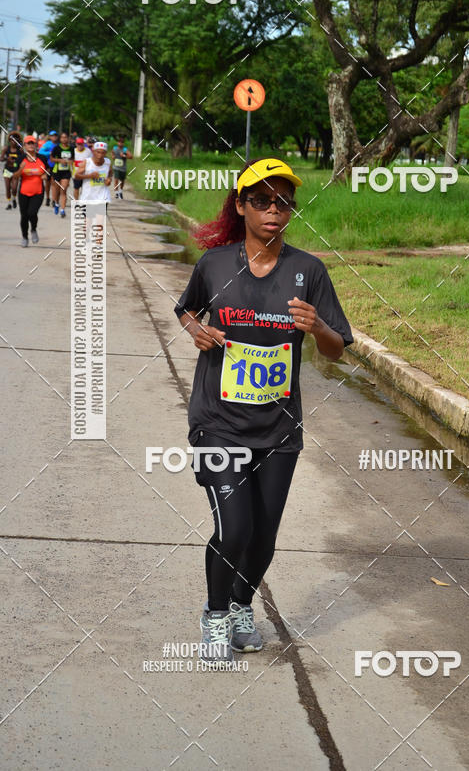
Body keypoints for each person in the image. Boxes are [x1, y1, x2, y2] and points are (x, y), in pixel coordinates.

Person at [174, 158, 353, 661]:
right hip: (217, 423)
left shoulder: (308, 271)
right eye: (261, 200)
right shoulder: (214, 264)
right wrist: (197, 331)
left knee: (264, 539)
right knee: (234, 529)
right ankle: (214, 615)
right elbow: (187, 307)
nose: (274, 209)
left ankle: (240, 605)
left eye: (283, 201)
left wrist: (316, 327)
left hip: (278, 430)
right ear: (241, 205)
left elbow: (337, 349)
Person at [14, 135, 48, 246]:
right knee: (24, 216)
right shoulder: (20, 159)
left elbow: (48, 171)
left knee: (32, 213)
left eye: (32, 143)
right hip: (23, 191)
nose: (31, 145)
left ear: (36, 145)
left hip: (38, 191)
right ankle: (24, 237)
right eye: (28, 143)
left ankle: (33, 229)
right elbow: (14, 176)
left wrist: (45, 176)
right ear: (24, 145)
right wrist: (21, 168)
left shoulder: (42, 158)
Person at [50, 132, 74, 217]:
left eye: (66, 137)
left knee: (63, 190)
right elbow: (51, 158)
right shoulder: (56, 148)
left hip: (66, 172)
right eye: (62, 137)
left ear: (68, 139)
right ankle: (56, 203)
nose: (64, 139)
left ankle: (63, 210)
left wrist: (70, 162)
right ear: (60, 139)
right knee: (57, 191)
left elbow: (73, 159)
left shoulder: (71, 148)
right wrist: (60, 161)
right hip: (57, 171)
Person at [1, 132, 23, 210]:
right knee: (7, 188)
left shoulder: (20, 150)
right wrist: (7, 159)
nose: (13, 142)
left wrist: (17, 161)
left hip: (16, 171)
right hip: (7, 170)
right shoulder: (6, 149)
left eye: (15, 140)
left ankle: (14, 198)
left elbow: (24, 159)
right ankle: (9, 203)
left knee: (14, 188)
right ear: (10, 140)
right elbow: (1, 159)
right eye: (12, 140)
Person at [38, 130, 58, 206]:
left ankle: (53, 200)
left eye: (55, 135)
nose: (54, 137)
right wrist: (49, 153)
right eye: (53, 135)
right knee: (48, 183)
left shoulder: (58, 144)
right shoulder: (47, 144)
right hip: (48, 166)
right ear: (50, 137)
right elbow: (40, 152)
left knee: (54, 183)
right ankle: (47, 198)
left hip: (56, 166)